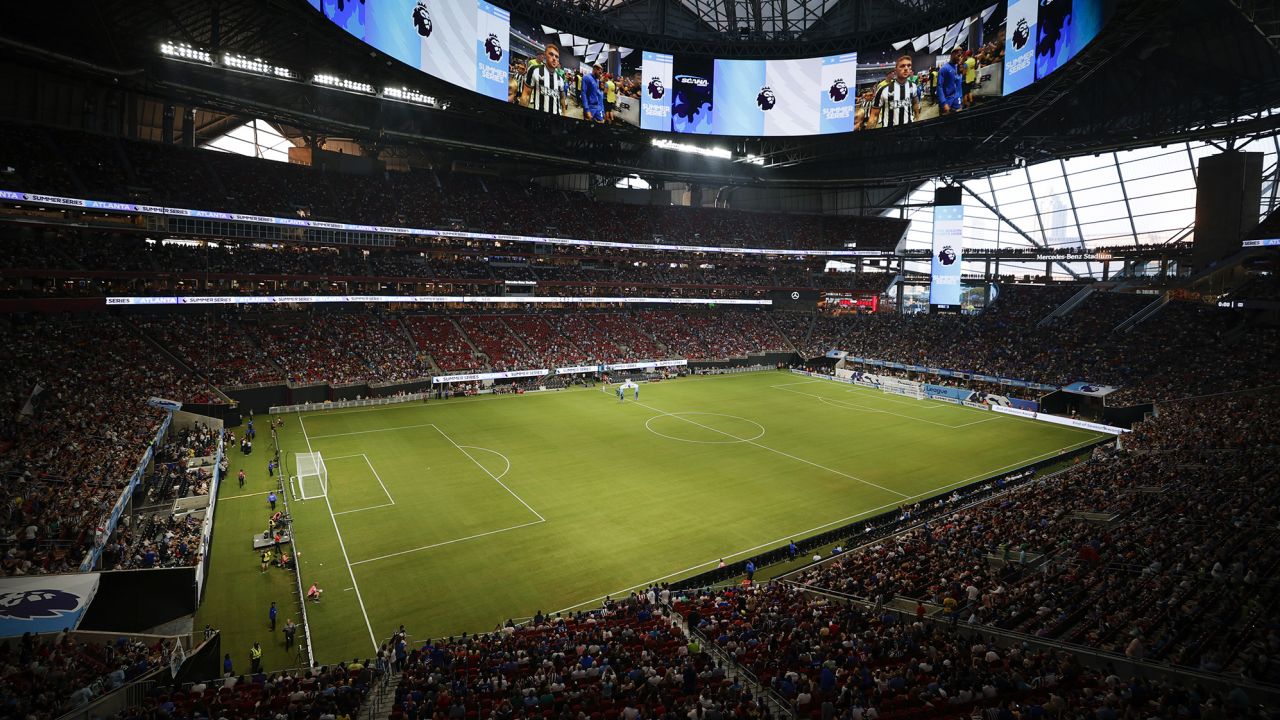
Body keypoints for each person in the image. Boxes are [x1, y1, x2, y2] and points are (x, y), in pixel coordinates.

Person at [868, 55, 919, 128]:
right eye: (902, 66)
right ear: (895, 70)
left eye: (909, 65)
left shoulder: (913, 86)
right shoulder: (883, 89)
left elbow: (915, 103)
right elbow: (874, 116)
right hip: (890, 133)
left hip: (909, 129)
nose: (906, 68)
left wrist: (917, 118)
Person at [519, 43, 565, 115]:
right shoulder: (534, 70)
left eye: (556, 56)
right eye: (551, 54)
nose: (554, 58)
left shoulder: (560, 79)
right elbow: (526, 94)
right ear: (545, 56)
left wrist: (564, 113)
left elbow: (562, 98)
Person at [937, 49, 964, 114]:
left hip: (957, 101)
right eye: (958, 55)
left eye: (961, 56)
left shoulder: (958, 68)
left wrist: (960, 98)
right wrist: (944, 102)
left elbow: (959, 85)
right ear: (952, 54)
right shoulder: (944, 69)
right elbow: (939, 87)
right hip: (947, 101)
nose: (960, 58)